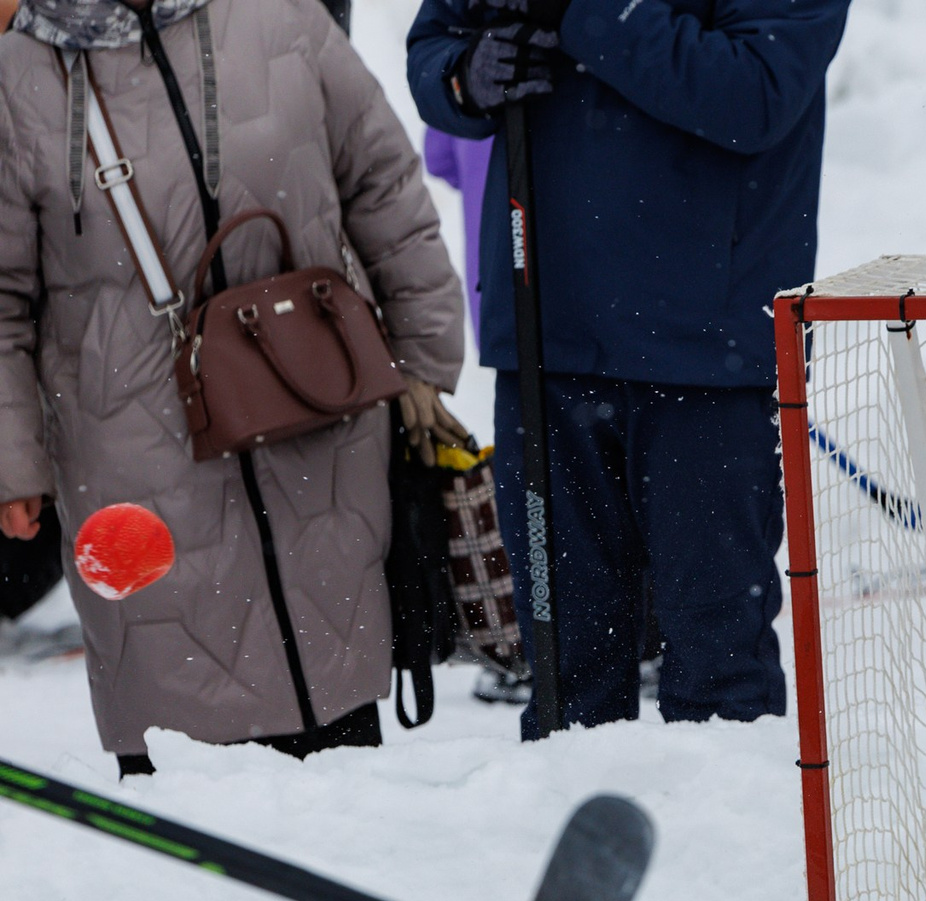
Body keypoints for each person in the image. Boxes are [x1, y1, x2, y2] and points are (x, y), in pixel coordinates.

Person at [0, 0, 468, 774]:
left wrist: (422, 360)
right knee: (188, 771)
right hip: (134, 467)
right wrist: (14, 461)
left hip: (320, 430)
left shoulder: (280, 15)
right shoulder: (19, 78)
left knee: (341, 756)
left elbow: (381, 183)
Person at [406, 0, 850, 735]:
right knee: (565, 671)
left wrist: (583, 12)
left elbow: (758, 94)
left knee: (717, 666)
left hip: (706, 350)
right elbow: (436, 40)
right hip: (546, 327)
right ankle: (573, 805)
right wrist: (462, 78)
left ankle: (720, 809)